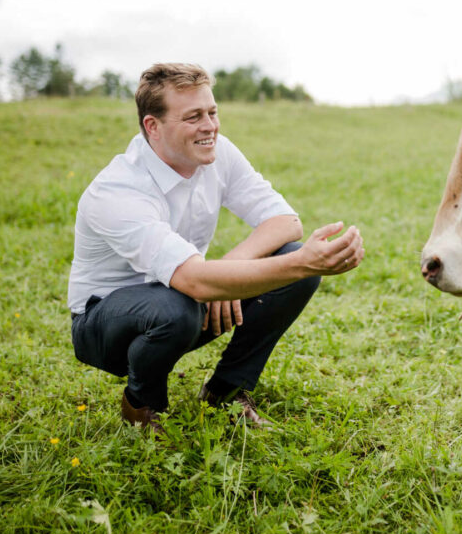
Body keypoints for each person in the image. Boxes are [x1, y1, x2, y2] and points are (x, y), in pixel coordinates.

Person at [67, 62, 364, 431]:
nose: (209, 126)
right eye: (193, 117)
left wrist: (233, 266)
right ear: (153, 127)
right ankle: (142, 407)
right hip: (105, 326)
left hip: (188, 297)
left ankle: (226, 391)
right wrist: (303, 264)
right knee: (178, 306)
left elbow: (286, 222)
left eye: (212, 112)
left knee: (290, 261)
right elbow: (193, 281)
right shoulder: (118, 189)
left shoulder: (218, 152)